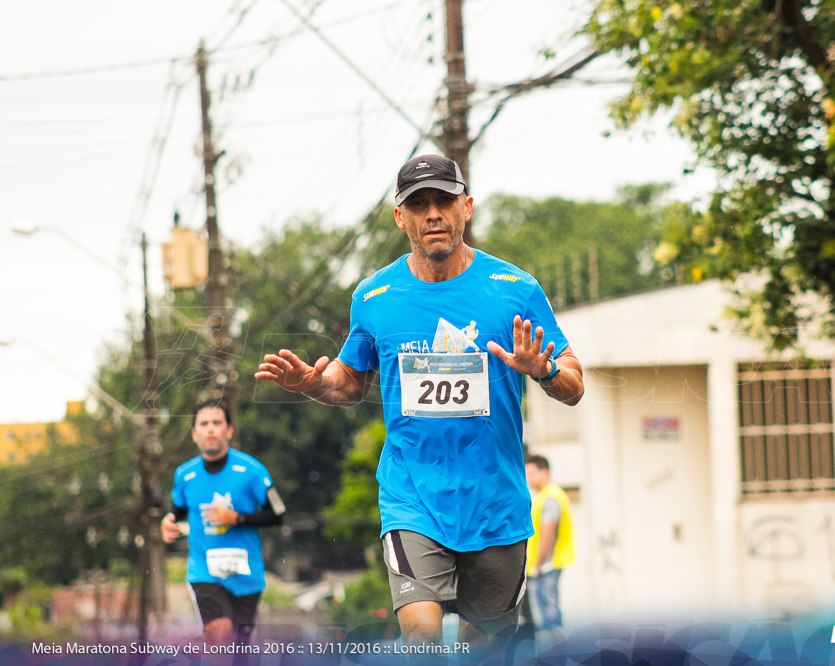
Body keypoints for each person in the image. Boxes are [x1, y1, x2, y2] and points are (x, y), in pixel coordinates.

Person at [255, 153, 584, 658]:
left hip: (496, 505)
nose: (433, 213)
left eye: (444, 201)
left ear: (466, 207)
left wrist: (545, 370)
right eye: (419, 203)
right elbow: (350, 381)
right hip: (413, 500)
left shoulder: (515, 290)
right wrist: (313, 384)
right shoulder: (375, 295)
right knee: (423, 640)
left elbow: (575, 383)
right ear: (400, 216)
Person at [161, 400, 286, 647]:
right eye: (204, 424)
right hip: (204, 571)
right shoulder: (184, 475)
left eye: (217, 423)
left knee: (239, 649)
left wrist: (236, 518)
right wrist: (168, 523)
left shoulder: (252, 471)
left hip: (246, 574)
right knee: (220, 639)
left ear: (229, 430)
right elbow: (176, 511)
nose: (210, 429)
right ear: (195, 434)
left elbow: (278, 515)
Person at [524, 454, 575, 648]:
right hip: (545, 566)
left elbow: (547, 535)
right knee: (547, 617)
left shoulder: (550, 497)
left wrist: (537, 565)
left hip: (545, 567)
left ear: (544, 472)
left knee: (549, 617)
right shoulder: (545, 496)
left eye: (531, 472)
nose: (527, 477)